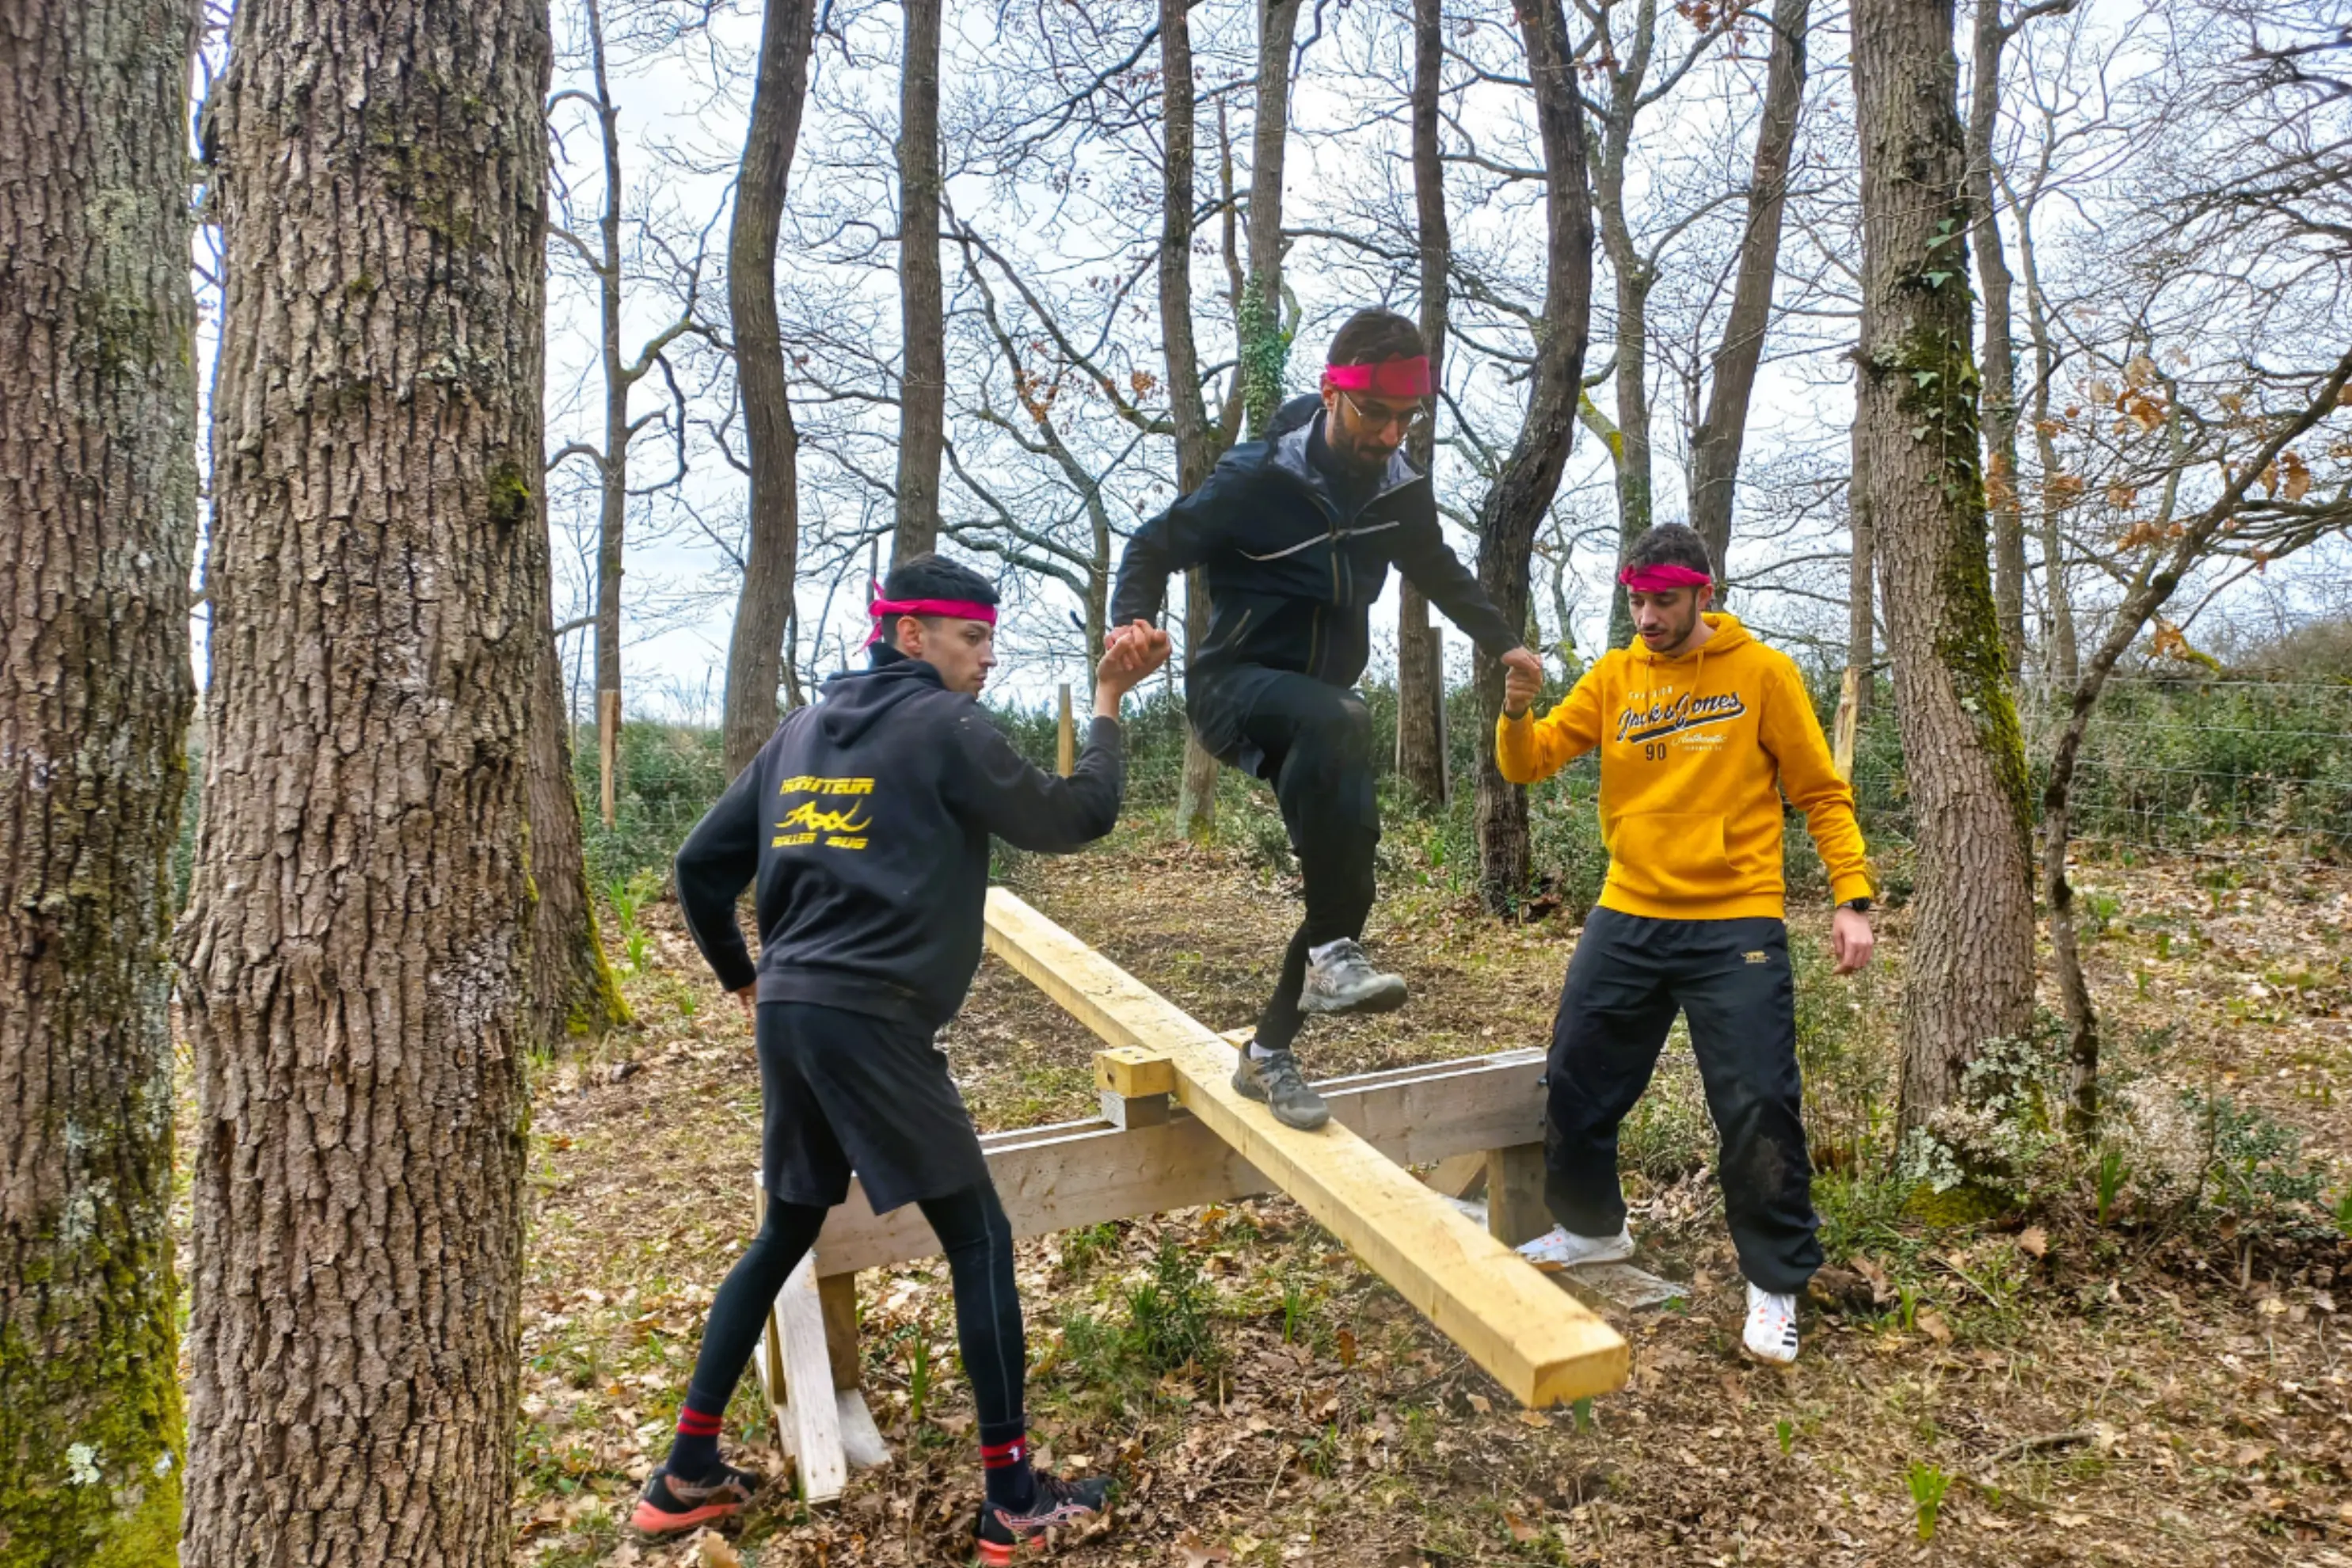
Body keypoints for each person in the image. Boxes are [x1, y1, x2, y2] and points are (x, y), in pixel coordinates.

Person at [636, 553, 1171, 1561]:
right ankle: (1012, 1492)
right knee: (978, 1238)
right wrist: (1107, 700)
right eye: (973, 639)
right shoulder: (944, 726)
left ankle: (686, 1470)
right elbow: (1074, 817)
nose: (986, 659)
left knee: (788, 1227)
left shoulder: (798, 734)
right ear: (911, 633)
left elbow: (699, 868)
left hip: (795, 1013)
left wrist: (745, 979)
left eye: (990, 640)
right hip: (872, 1018)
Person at [1105, 308, 1545, 1132]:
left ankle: (1269, 1051)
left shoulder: (1398, 489)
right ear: (1331, 394)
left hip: (1322, 713)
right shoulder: (1255, 477)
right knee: (1342, 720)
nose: (1387, 435)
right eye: (1372, 415)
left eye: (1405, 419)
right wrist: (1132, 617)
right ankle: (1328, 954)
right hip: (1236, 687)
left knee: (1350, 889)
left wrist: (1505, 643)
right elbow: (1153, 544)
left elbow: (1440, 572)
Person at [1494, 523, 1874, 1366]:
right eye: (1636, 598)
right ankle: (1592, 1231)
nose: (1647, 616)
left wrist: (1851, 897)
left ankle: (1774, 1283)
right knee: (1577, 1078)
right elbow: (1532, 763)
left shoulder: (1762, 675)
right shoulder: (1618, 675)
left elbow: (1821, 792)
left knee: (1757, 1103)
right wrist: (1517, 712)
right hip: (1628, 911)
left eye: (1664, 599)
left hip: (1734, 919)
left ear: (1708, 592)